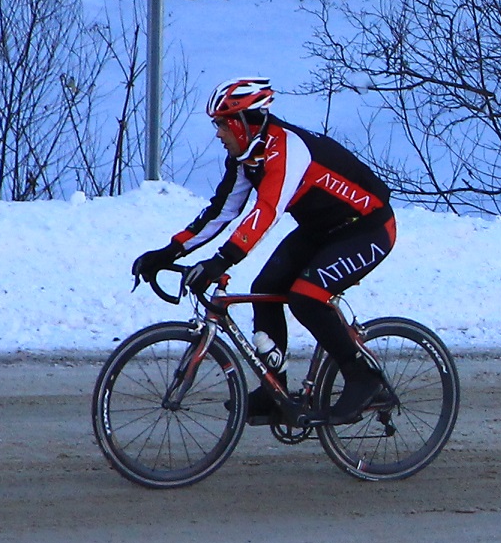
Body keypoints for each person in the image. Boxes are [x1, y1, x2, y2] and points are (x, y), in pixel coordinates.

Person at [130, 78, 398, 423]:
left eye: (222, 124)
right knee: (265, 288)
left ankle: (364, 379)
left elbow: (266, 211)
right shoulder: (247, 157)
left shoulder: (288, 149)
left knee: (307, 296)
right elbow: (222, 211)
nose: (218, 133)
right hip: (324, 229)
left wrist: (221, 261)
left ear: (244, 122)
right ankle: (277, 391)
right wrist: (169, 252)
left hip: (369, 228)